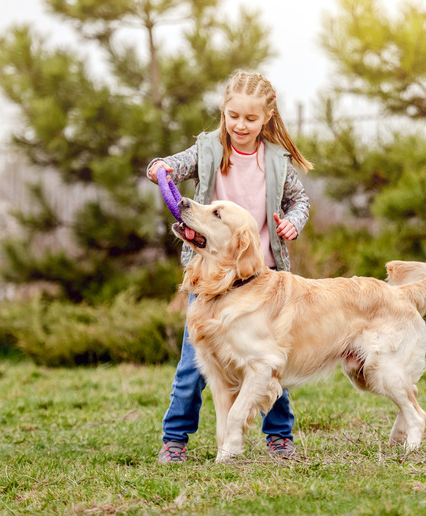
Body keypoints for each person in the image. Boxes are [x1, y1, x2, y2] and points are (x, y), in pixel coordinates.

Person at [146, 71, 313, 464]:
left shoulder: (275, 161)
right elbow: (170, 165)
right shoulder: (206, 151)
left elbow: (300, 200)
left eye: (250, 119)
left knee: (268, 360)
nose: (240, 125)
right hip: (210, 280)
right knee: (192, 367)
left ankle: (279, 437)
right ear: (223, 111)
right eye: (233, 115)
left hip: (259, 279)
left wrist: (293, 221)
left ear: (267, 119)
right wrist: (157, 168)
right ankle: (175, 439)